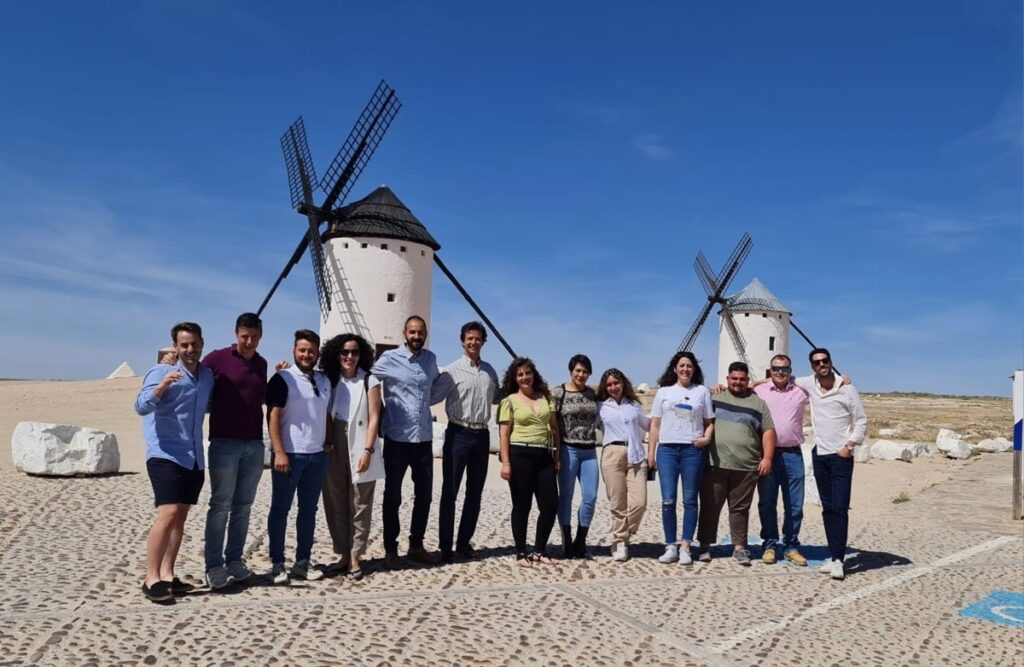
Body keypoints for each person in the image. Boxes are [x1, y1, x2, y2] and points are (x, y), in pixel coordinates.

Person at [134, 322, 214, 602]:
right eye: (184, 345)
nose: (190, 349)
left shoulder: (206, 377)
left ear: (202, 343)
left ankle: (167, 574)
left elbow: (211, 404)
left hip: (193, 456)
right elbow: (140, 405)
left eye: (194, 344)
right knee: (167, 513)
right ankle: (151, 578)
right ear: (175, 347)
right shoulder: (160, 371)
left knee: (181, 515)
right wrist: (162, 387)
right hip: (165, 453)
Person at [371, 315, 449, 569]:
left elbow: (434, 388)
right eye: (412, 332)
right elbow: (368, 380)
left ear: (425, 333)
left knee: (424, 496)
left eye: (421, 332)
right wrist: (380, 414)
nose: (417, 336)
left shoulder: (431, 359)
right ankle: (391, 549)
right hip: (397, 438)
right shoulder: (389, 359)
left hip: (423, 438)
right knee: (392, 496)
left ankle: (416, 545)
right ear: (404, 333)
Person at [201, 312, 268, 589]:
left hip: (253, 444)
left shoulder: (262, 364)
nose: (249, 342)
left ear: (260, 336)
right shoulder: (217, 359)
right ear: (236, 334)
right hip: (224, 443)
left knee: (243, 507)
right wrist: (170, 361)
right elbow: (193, 374)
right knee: (220, 505)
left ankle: (235, 560)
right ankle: (214, 566)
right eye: (244, 337)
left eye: (254, 337)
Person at [266, 329, 332, 585]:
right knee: (280, 509)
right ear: (294, 351)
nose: (307, 354)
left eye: (311, 351)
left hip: (317, 455)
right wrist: (279, 451)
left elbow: (325, 411)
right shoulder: (283, 378)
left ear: (317, 353)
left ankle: (302, 561)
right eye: (302, 350)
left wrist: (327, 442)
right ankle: (277, 563)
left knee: (308, 511)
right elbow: (273, 416)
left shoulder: (324, 380)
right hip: (290, 454)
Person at [795, 348, 867, 581]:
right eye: (816, 362)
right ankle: (834, 555)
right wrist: (754, 383)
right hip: (820, 454)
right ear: (812, 367)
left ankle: (838, 559)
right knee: (827, 507)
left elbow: (862, 420)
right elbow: (781, 377)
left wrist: (850, 445)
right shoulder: (809, 383)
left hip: (841, 456)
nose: (821, 365)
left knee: (840, 507)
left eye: (825, 361)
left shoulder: (846, 388)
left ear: (831, 362)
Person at [696, 361, 776, 566]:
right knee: (710, 506)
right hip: (715, 464)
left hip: (746, 466)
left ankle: (740, 548)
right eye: (734, 379)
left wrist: (767, 458)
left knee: (740, 509)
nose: (738, 382)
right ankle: (705, 545)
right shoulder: (714, 397)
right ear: (727, 379)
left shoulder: (758, 403)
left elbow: (768, 431)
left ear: (747, 380)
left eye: (742, 379)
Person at [320, 333, 384, 581]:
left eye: (354, 352)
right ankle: (343, 553)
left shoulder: (370, 380)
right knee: (336, 500)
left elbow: (375, 418)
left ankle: (356, 555)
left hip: (361, 441)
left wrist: (368, 450)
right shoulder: (330, 380)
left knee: (360, 502)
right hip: (334, 441)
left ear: (362, 355)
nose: (349, 357)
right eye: (344, 352)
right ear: (337, 354)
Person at [437, 321, 500, 562]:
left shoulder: (490, 371)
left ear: (483, 341)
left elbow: (498, 397)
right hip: (458, 433)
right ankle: (445, 546)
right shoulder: (451, 370)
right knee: (449, 491)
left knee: (475, 492)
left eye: (477, 338)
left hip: (481, 435)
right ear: (462, 340)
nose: (473, 342)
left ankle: (463, 543)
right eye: (469, 338)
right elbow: (433, 395)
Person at [647, 351, 715, 565]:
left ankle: (686, 546)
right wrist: (651, 453)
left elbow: (709, 421)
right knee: (668, 500)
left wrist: (706, 438)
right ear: (675, 368)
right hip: (667, 450)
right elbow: (655, 425)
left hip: (691, 451)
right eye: (682, 365)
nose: (685, 369)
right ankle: (670, 546)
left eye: (689, 366)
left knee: (689, 500)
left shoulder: (701, 392)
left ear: (694, 369)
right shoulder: (664, 392)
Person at [497, 357, 561, 565]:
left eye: (527, 373)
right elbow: (504, 434)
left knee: (550, 505)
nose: (525, 377)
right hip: (519, 454)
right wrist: (506, 463)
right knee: (522, 505)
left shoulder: (545, 398)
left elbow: (554, 429)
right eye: (520, 374)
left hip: (544, 455)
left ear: (534, 374)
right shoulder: (509, 401)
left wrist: (557, 457)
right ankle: (520, 552)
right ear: (515, 379)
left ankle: (539, 551)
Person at [751, 354, 810, 567]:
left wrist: (843, 380)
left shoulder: (801, 391)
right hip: (767, 454)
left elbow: (824, 390)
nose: (780, 372)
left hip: (793, 453)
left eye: (784, 368)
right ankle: (769, 544)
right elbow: (737, 390)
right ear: (770, 370)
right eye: (776, 368)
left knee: (795, 505)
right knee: (767, 502)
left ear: (790, 370)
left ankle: (791, 546)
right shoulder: (759, 390)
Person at [596, 368, 651, 562]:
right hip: (612, 454)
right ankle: (620, 542)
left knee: (640, 503)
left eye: (616, 383)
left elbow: (649, 425)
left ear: (623, 383)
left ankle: (624, 533)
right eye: (609, 384)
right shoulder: (600, 406)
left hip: (636, 455)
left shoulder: (634, 405)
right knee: (617, 503)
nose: (613, 387)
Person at [551, 354, 600, 559]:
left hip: (589, 450)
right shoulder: (558, 392)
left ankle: (580, 541)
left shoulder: (592, 394)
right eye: (578, 370)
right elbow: (553, 425)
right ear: (571, 370)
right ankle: (567, 542)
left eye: (585, 371)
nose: (581, 374)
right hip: (568, 449)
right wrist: (556, 455)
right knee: (567, 496)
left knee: (590, 496)